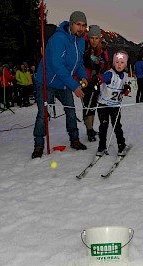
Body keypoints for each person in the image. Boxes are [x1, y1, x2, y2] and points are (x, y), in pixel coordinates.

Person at [32, 11, 88, 159]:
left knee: (71, 111)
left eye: (83, 25)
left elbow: (79, 63)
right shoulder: (58, 39)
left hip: (63, 83)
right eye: (78, 24)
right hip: (47, 81)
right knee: (43, 114)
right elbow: (58, 65)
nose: (80, 28)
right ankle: (38, 145)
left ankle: (74, 139)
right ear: (71, 24)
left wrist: (83, 76)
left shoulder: (80, 41)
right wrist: (74, 85)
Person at [92, 51, 131, 156]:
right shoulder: (110, 74)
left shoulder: (125, 76)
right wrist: (99, 79)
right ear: (113, 63)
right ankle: (101, 147)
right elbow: (104, 77)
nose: (119, 65)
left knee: (117, 126)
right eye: (117, 62)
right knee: (103, 125)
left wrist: (127, 89)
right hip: (103, 105)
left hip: (115, 106)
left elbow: (127, 86)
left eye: (122, 62)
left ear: (125, 64)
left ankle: (121, 145)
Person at [82, 25, 109, 142]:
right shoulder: (83, 46)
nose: (94, 40)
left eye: (96, 38)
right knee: (88, 105)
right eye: (91, 38)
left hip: (96, 80)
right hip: (85, 80)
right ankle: (89, 130)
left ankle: (91, 128)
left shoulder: (102, 49)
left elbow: (105, 64)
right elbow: (83, 62)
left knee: (94, 104)